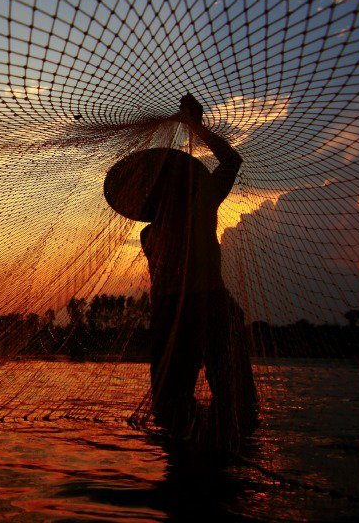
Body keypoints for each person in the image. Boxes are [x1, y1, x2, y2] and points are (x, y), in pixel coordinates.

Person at [138, 94, 258, 450]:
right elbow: (231, 160)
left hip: (175, 314)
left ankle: (191, 473)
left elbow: (231, 161)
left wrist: (193, 126)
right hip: (199, 309)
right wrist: (195, 126)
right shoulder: (199, 202)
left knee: (174, 409)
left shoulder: (151, 231)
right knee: (232, 406)